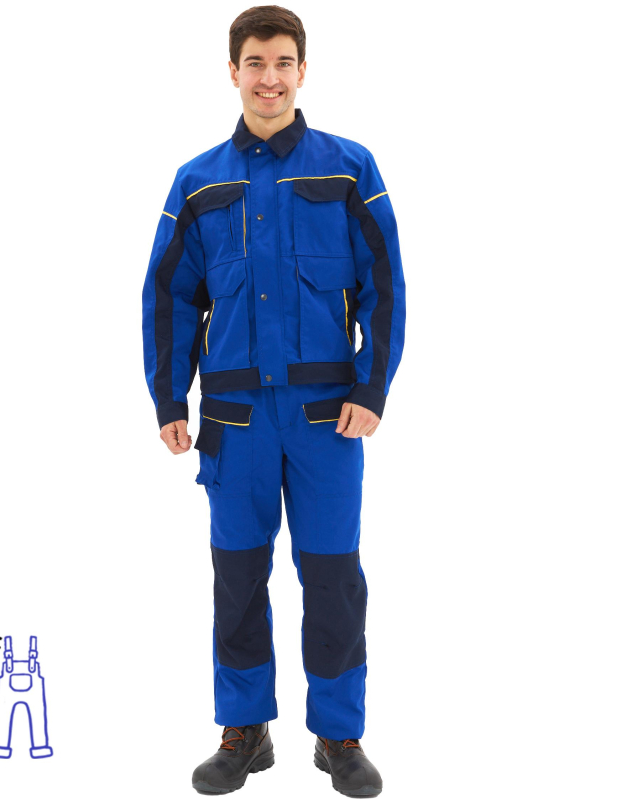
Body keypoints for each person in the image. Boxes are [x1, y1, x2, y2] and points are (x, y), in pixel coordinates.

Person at [142, 6, 406, 796]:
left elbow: (386, 286)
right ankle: (244, 729)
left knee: (333, 579)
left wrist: (372, 387)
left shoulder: (349, 168)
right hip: (234, 423)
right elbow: (168, 298)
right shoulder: (198, 181)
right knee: (237, 578)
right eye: (255, 62)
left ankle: (339, 735)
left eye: (283, 62)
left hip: (329, 418)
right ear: (233, 71)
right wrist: (169, 400)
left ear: (303, 71)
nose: (269, 77)